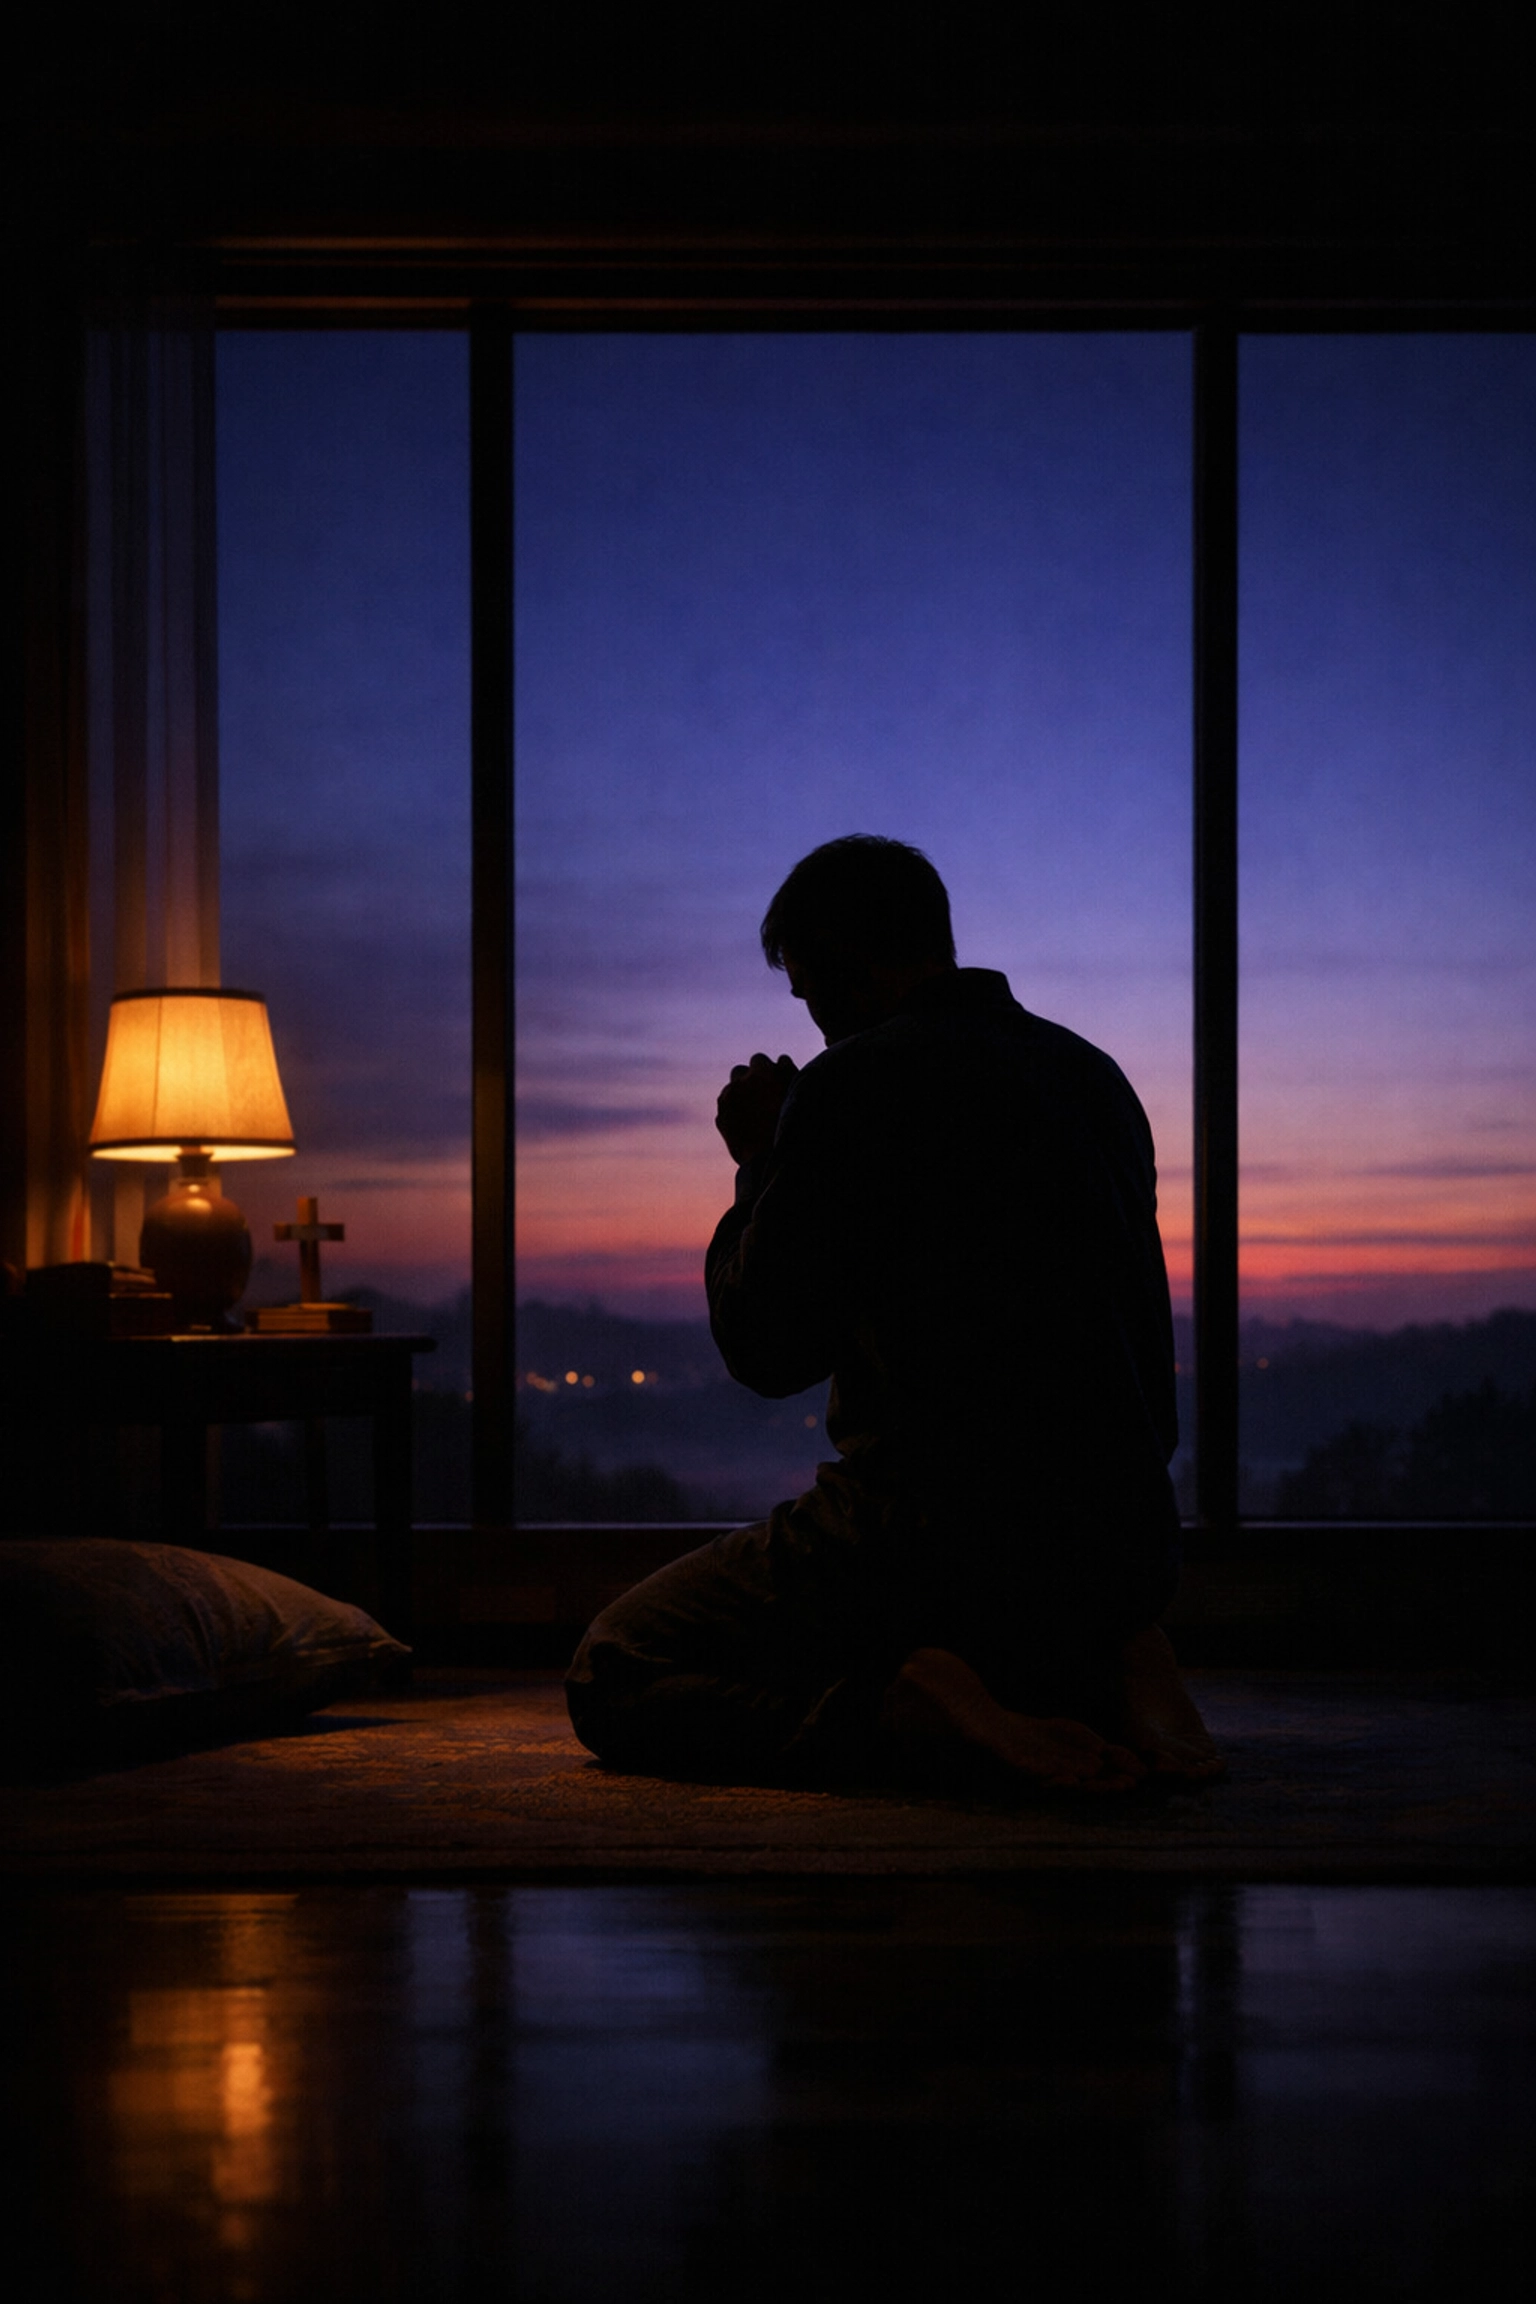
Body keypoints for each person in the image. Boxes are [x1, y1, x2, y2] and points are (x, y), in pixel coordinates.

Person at [566, 836, 1222, 1793]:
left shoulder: (854, 1086)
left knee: (618, 1666)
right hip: (1121, 1547)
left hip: (934, 1539)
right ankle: (1106, 1664)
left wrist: (761, 1160)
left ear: (846, 962)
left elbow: (763, 1347)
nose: (817, 1023)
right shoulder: (1096, 1078)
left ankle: (908, 1720)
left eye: (812, 992)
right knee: (1008, 1608)